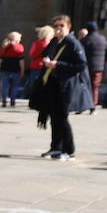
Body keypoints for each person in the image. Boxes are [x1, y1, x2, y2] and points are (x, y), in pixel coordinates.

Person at [33, 14, 91, 160]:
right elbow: (44, 54)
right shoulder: (54, 41)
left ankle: (69, 150)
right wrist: (47, 61)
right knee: (54, 117)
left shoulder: (73, 43)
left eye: (61, 26)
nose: (58, 29)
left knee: (62, 118)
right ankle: (55, 147)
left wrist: (58, 65)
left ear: (68, 27)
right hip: (53, 83)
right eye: (56, 26)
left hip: (66, 86)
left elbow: (81, 65)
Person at [81, 22, 107, 110]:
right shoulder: (103, 39)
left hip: (86, 66)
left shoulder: (85, 40)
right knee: (95, 86)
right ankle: (93, 105)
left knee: (84, 85)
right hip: (99, 68)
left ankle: (83, 105)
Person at [0, 31, 25, 107]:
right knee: (15, 86)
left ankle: (4, 101)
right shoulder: (20, 47)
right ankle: (13, 100)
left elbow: (0, 59)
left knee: (5, 86)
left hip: (5, 69)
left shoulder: (4, 46)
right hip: (16, 69)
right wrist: (22, 70)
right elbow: (21, 61)